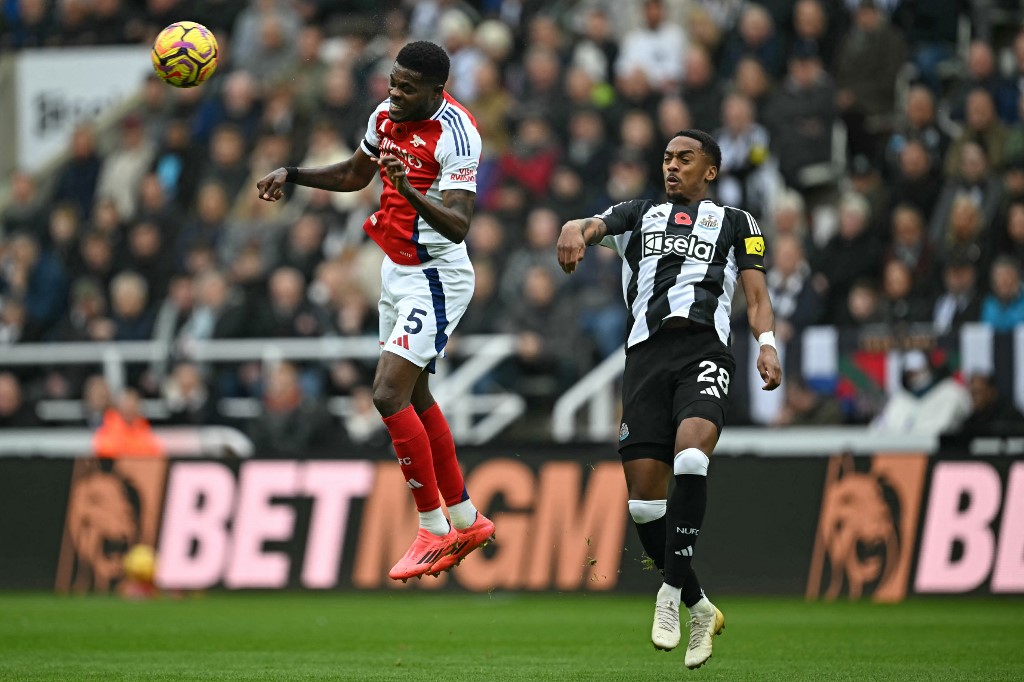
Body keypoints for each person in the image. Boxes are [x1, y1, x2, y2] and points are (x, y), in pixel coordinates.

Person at [256, 41, 493, 582]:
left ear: (437, 92)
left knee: (386, 394)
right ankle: (465, 517)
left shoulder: (458, 133)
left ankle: (433, 529)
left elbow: (459, 225)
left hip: (436, 276)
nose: (394, 92)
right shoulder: (384, 115)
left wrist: (408, 188)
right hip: (395, 268)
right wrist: (291, 174)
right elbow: (353, 176)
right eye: (392, 81)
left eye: (407, 87)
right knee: (414, 394)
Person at [556, 129, 782, 670]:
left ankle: (667, 595)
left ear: (711, 170)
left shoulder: (738, 223)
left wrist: (768, 345)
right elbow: (592, 226)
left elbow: (756, 296)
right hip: (645, 360)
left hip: (704, 350)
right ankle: (698, 605)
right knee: (642, 503)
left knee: (691, 458)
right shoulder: (638, 213)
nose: (672, 166)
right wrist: (572, 228)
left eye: (686, 158)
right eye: (667, 158)